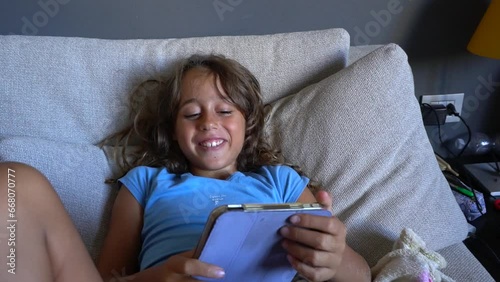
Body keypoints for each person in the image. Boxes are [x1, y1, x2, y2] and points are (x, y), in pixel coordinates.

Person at [96, 54, 370, 282]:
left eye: (225, 111)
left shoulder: (282, 182)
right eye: (191, 114)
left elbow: (361, 276)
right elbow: (108, 277)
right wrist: (156, 277)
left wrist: (335, 259)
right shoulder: (144, 183)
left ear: (247, 123)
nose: (208, 122)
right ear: (173, 132)